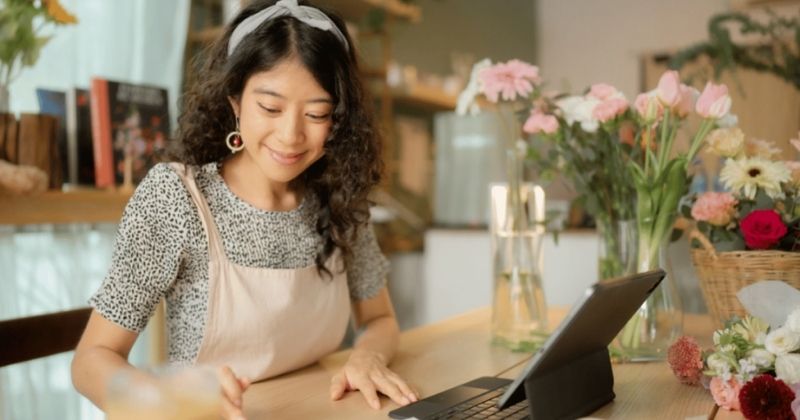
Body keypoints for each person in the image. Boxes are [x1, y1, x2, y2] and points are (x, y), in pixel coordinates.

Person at [70, 1, 418, 418]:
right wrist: (161, 399)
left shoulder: (339, 198)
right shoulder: (176, 198)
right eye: (270, 108)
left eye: (317, 114)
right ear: (234, 99)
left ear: (339, 118)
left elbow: (380, 319)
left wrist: (367, 357)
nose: (291, 135)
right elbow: (90, 361)